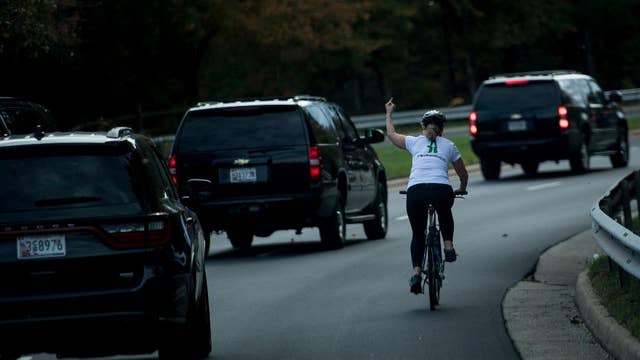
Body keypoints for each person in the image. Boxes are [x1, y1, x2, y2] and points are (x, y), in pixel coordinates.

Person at [384, 98, 468, 295]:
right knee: (445, 211)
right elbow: (462, 173)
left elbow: (391, 134)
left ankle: (416, 273)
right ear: (443, 128)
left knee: (418, 234)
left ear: (423, 126)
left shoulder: (414, 142)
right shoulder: (449, 145)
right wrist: (462, 187)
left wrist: (389, 113)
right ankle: (448, 246)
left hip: (416, 191)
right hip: (441, 189)